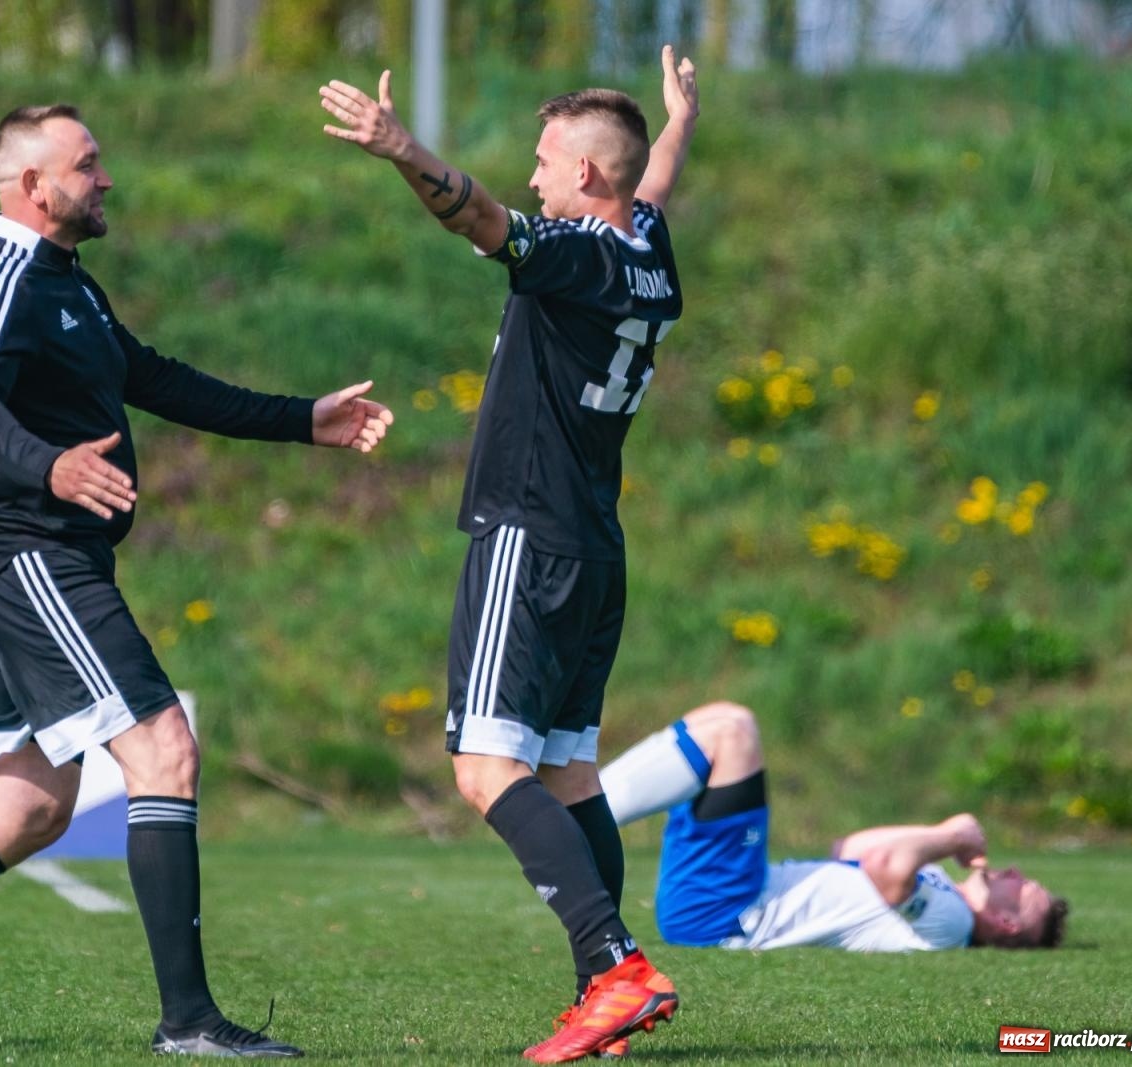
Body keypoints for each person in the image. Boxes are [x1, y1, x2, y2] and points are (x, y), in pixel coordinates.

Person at [0, 103, 393, 1058]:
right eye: (88, 164)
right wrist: (48, 467)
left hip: (40, 558)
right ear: (33, 186)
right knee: (164, 748)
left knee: (29, 807)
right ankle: (188, 1023)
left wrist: (301, 419)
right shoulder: (1, 280)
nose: (106, 179)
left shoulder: (69, 284)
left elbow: (158, 378)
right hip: (25, 556)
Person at [321, 46, 698, 1064]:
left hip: (528, 533)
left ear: (585, 178)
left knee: (486, 767)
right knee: (570, 774)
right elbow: (650, 178)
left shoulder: (573, 255)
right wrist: (677, 120)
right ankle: (603, 992)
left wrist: (402, 148)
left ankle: (614, 967)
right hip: (594, 545)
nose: (533, 173)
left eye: (545, 158)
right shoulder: (649, 246)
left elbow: (477, 218)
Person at [599, 701, 1069, 951]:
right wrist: (944, 839)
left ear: (1007, 924)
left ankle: (573, 813)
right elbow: (852, 846)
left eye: (1025, 888)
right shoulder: (942, 888)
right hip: (734, 896)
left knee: (734, 732)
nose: (1014, 873)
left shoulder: (952, 924)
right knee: (717, 721)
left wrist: (952, 836)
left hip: (729, 912)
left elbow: (885, 865)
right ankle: (576, 804)